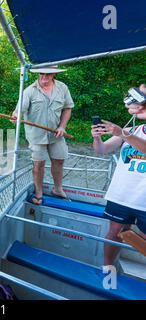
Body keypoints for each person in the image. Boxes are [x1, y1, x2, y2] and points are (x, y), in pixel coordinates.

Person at [91, 84, 146, 266]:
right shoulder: (133, 130)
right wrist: (97, 137)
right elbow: (102, 149)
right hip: (121, 195)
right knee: (114, 234)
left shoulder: (127, 133)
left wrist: (121, 133)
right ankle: (108, 268)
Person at [12, 66, 74, 205]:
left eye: (48, 74)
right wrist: (16, 116)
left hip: (56, 134)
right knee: (39, 164)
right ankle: (39, 192)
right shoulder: (29, 91)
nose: (44, 77)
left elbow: (68, 108)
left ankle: (58, 189)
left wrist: (62, 126)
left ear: (54, 75)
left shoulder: (62, 88)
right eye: (42, 74)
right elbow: (19, 110)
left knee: (59, 160)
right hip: (36, 136)